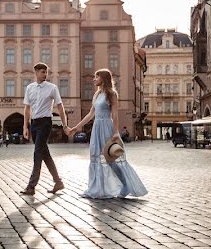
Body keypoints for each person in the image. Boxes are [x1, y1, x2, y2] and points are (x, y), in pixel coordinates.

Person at [67, 69, 147, 199]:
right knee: (94, 157)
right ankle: (95, 189)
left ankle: (126, 185)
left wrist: (116, 131)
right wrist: (76, 127)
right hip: (97, 127)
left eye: (96, 77)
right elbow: (90, 114)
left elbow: (114, 114)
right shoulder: (96, 95)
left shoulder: (112, 94)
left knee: (111, 159)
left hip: (107, 127)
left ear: (103, 78)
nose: (94, 79)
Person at [19, 62, 67, 196]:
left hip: (46, 123)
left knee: (37, 153)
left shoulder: (52, 88)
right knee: (45, 154)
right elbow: (27, 108)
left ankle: (31, 186)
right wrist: (25, 126)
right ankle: (58, 182)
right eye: (42, 72)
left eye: (46, 72)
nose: (45, 74)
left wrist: (64, 125)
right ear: (36, 73)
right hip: (34, 124)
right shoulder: (30, 88)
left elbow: (60, 107)